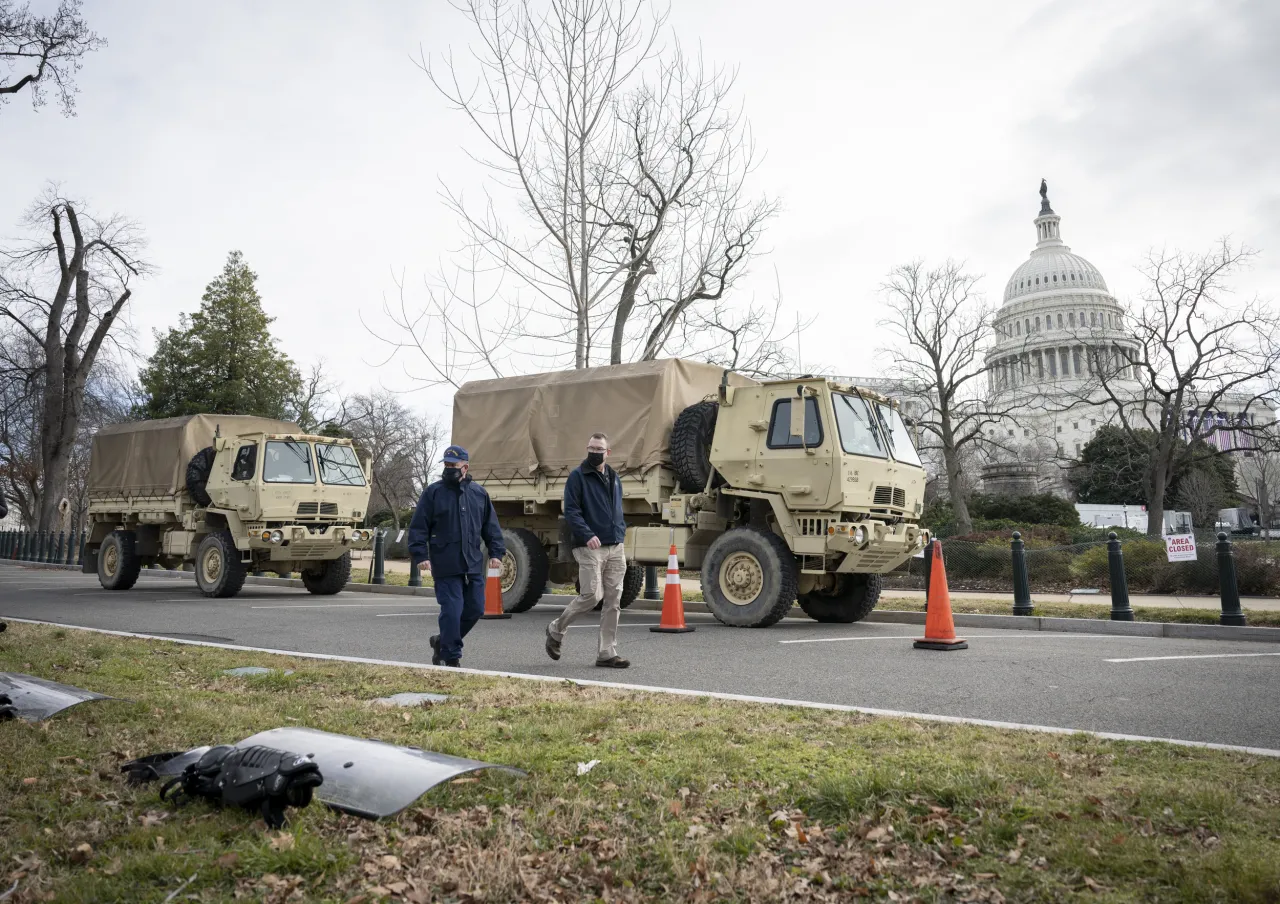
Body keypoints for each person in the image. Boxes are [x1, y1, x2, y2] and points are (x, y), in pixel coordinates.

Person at [408, 445, 505, 668]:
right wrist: (421, 554)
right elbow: (418, 527)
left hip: (472, 563)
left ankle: (442, 642)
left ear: (465, 467)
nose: (448, 469)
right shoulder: (433, 493)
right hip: (445, 563)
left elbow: (491, 527)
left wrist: (496, 552)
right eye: (446, 465)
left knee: (475, 609)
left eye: (453, 465)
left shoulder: (479, 494)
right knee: (452, 611)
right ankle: (451, 657)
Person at [545, 432, 630, 668]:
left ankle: (606, 652)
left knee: (613, 600)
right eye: (591, 449)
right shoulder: (577, 477)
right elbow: (571, 511)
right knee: (592, 595)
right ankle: (556, 629)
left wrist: (619, 534)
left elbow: (616, 510)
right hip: (588, 546)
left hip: (614, 546)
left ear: (607, 452)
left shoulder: (614, 477)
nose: (594, 453)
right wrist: (587, 534)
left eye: (598, 450)